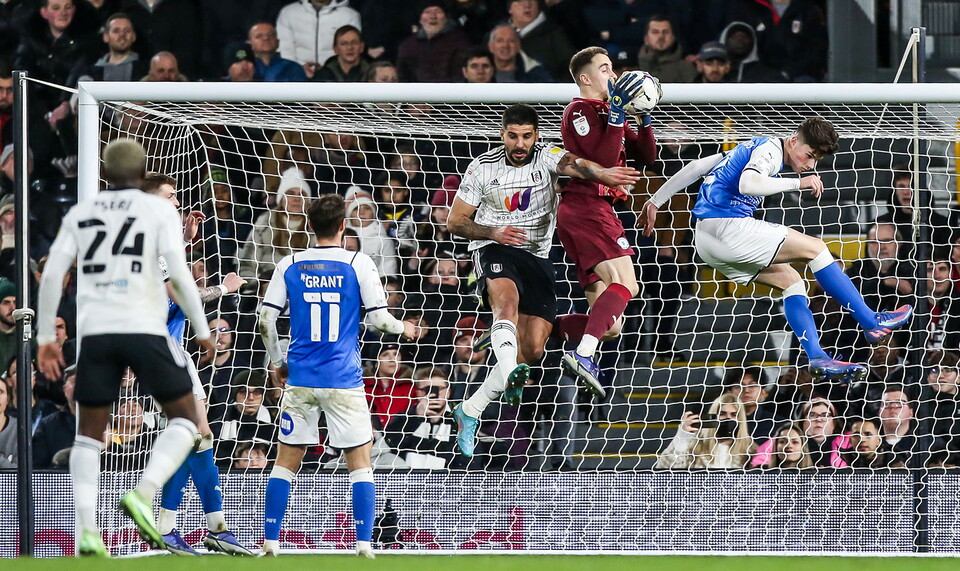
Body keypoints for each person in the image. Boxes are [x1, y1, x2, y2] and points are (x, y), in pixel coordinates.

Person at [36, 139, 215, 556]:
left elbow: (51, 276)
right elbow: (182, 275)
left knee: (88, 438)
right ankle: (144, 491)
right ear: (140, 173)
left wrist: (46, 338)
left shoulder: (82, 212)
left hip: (97, 333)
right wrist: (202, 328)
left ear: (107, 174)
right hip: (144, 329)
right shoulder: (159, 210)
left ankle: (88, 533)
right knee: (188, 422)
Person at [642, 117, 913, 382]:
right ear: (793, 141)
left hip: (706, 240)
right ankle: (871, 322)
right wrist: (799, 183)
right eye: (809, 156)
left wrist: (655, 201)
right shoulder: (770, 150)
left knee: (793, 282)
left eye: (816, 161)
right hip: (728, 228)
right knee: (818, 250)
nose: (810, 165)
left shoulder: (749, 146)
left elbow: (697, 166)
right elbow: (748, 184)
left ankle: (818, 357)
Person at [446, 103, 640, 456]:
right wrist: (494, 230)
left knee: (533, 349)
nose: (520, 143)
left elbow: (576, 165)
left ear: (536, 135)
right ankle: (507, 364)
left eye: (527, 135)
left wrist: (604, 175)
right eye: (512, 135)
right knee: (506, 303)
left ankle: (470, 409)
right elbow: (455, 222)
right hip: (494, 248)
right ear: (502, 134)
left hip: (537, 257)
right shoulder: (481, 168)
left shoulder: (547, 156)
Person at [258, 194, 420, 558]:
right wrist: (405, 329)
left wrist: (277, 361)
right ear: (343, 226)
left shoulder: (290, 263)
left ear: (310, 226)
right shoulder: (358, 262)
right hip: (344, 379)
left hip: (300, 377)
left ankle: (270, 542)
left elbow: (266, 319)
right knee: (360, 463)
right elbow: (380, 320)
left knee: (286, 462)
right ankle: (364, 545)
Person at [139, 172, 251, 556]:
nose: (176, 202)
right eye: (170, 197)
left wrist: (185, 240)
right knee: (195, 435)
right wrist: (225, 288)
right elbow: (183, 296)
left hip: (167, 353)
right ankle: (181, 525)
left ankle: (202, 527)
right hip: (162, 353)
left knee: (198, 437)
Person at [554, 47, 657, 397]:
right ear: (585, 78)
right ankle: (583, 355)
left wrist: (642, 118)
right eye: (605, 68)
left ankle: (529, 326)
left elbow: (649, 157)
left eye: (611, 68)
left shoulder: (609, 111)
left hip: (592, 212)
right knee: (628, 284)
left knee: (611, 325)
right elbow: (603, 160)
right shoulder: (579, 111)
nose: (613, 75)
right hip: (587, 206)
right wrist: (615, 115)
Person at [655, 393, 755, 470]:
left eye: (734, 415)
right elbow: (664, 471)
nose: (728, 418)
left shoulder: (751, 451)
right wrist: (682, 437)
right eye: (722, 414)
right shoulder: (694, 446)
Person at [276, 0, 361, 77]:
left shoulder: (349, 15)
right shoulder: (288, 12)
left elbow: (353, 50)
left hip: (335, 76)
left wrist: (327, 69)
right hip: (296, 75)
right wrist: (300, 68)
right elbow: (285, 50)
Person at [396, 3, 472, 82]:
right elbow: (403, 77)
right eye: (427, 12)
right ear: (420, 19)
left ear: (446, 18)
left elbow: (461, 75)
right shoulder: (408, 45)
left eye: (438, 12)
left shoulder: (460, 41)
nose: (433, 17)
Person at [506, 0, 575, 81]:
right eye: (520, 1)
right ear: (510, 8)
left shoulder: (555, 35)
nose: (527, 5)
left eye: (532, 0)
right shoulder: (497, 32)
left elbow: (570, 67)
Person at [635, 14, 696, 84]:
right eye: (655, 32)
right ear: (646, 39)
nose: (661, 36)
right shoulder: (633, 66)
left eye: (666, 32)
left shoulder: (686, 69)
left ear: (673, 37)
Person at [487, 24, 552, 83]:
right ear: (491, 46)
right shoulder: (480, 74)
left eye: (511, 41)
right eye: (500, 41)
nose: (505, 45)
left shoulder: (537, 76)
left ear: (518, 46)